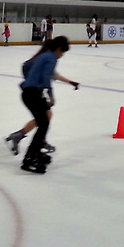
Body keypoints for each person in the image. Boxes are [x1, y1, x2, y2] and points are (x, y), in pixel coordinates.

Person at [15, 36, 72, 174]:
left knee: (43, 122)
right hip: (33, 93)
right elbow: (47, 78)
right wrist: (51, 96)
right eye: (62, 52)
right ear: (58, 49)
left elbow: (26, 66)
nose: (62, 56)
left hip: (29, 92)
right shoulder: (51, 58)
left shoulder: (44, 55)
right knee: (44, 123)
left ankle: (35, 152)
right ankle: (29, 158)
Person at [5, 62, 80, 158]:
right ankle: (31, 139)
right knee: (45, 117)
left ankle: (23, 136)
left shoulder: (41, 61)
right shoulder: (46, 61)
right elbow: (50, 80)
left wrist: (70, 82)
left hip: (33, 90)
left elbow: (54, 75)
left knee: (46, 116)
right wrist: (51, 97)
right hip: (34, 92)